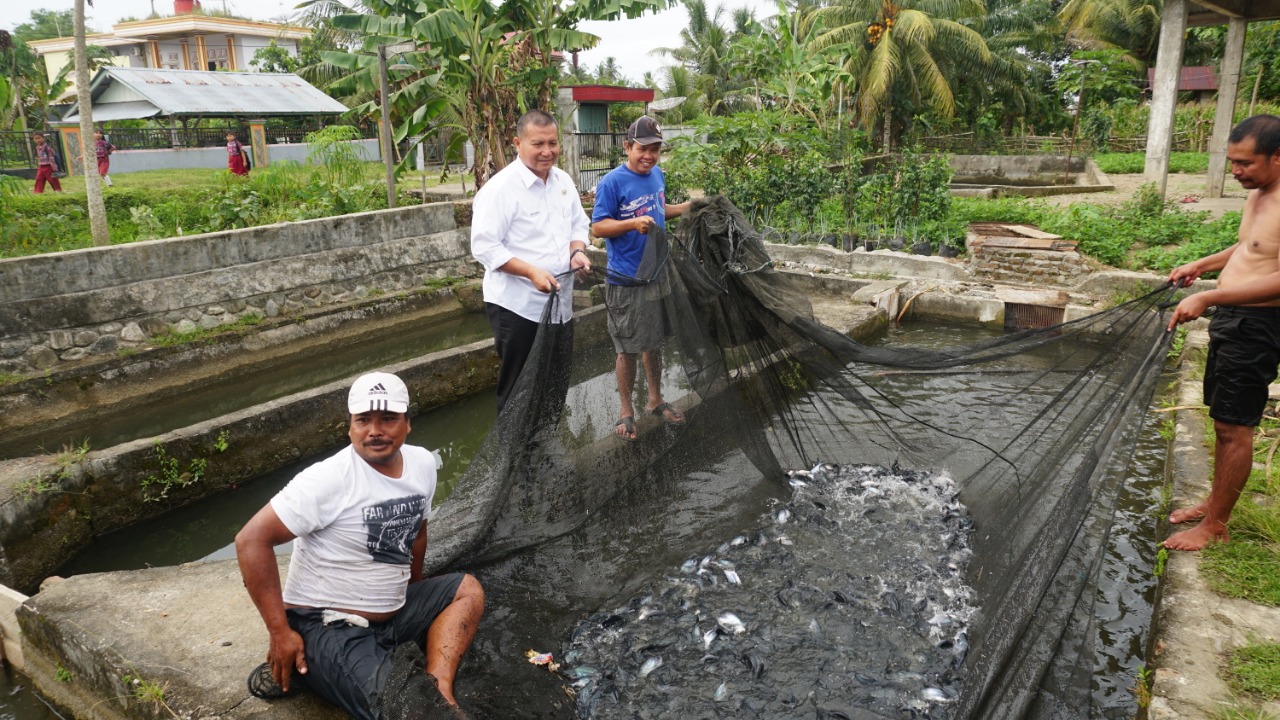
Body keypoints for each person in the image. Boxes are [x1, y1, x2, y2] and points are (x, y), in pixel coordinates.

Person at [235, 371, 484, 718]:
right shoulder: (327, 479)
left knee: (467, 590)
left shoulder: (423, 463)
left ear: (408, 424)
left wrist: (412, 589)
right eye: (363, 420)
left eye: (388, 419)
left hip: (391, 614)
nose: (375, 430)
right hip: (327, 622)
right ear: (350, 427)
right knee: (407, 709)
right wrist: (280, 633)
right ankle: (315, 667)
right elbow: (251, 541)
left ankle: (439, 685)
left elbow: (417, 530)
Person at [1165, 113, 1280, 551]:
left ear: (1277, 156)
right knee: (1222, 419)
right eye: (1232, 162)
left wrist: (1209, 298)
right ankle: (1214, 504)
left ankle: (1215, 525)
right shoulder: (1260, 192)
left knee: (1236, 426)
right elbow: (1250, 246)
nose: (1236, 172)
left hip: (1258, 324)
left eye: (1245, 163)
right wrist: (1203, 265)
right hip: (1234, 318)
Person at [470, 109, 592, 412]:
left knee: (554, 382)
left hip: (560, 305)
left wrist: (577, 252)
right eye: (538, 144)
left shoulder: (563, 181)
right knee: (519, 388)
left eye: (552, 143)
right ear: (518, 143)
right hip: (518, 306)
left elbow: (578, 225)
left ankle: (543, 448)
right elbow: (484, 246)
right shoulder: (499, 190)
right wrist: (530, 272)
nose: (547, 151)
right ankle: (515, 457)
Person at [590, 116, 691, 441]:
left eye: (655, 150)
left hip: (656, 273)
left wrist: (688, 207)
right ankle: (625, 410)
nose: (649, 156)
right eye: (643, 149)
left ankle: (655, 398)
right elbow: (598, 227)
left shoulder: (657, 175)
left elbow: (659, 210)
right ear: (628, 147)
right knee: (627, 348)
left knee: (654, 342)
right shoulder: (612, 182)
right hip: (626, 280)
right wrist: (632, 224)